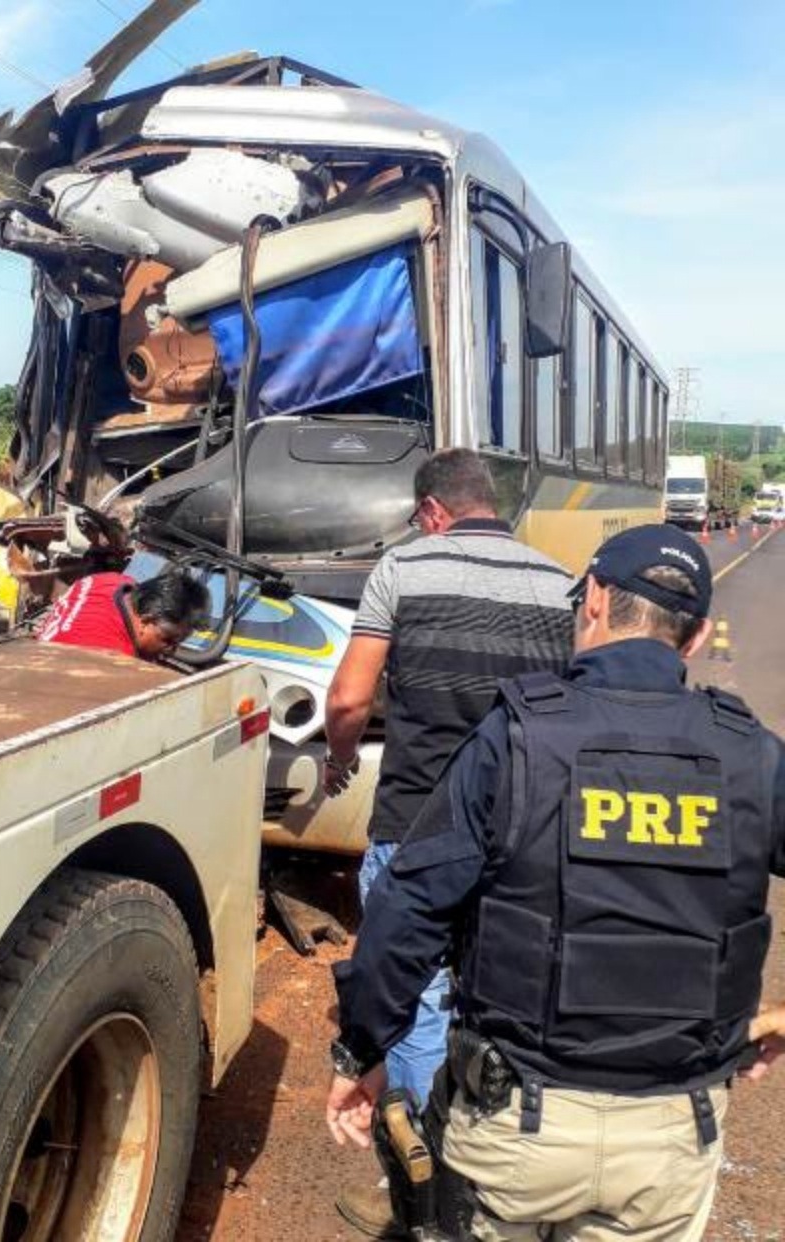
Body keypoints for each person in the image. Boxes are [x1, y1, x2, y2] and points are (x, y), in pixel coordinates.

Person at [326, 523, 785, 1242]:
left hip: (517, 1126)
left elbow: (410, 906)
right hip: (670, 1135)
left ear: (595, 599)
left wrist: (362, 1049)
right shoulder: (751, 754)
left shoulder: (517, 736)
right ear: (694, 639)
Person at [323, 448, 574, 1236]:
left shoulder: (404, 569)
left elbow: (350, 696)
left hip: (415, 830)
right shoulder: (557, 582)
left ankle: (426, 1190)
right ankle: (501, 1174)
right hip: (522, 833)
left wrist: (337, 759)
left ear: (431, 511)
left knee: (412, 1003)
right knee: (500, 1000)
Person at [36, 567, 209, 660]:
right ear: (145, 621)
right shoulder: (112, 658)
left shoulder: (113, 580)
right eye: (168, 640)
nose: (172, 651)